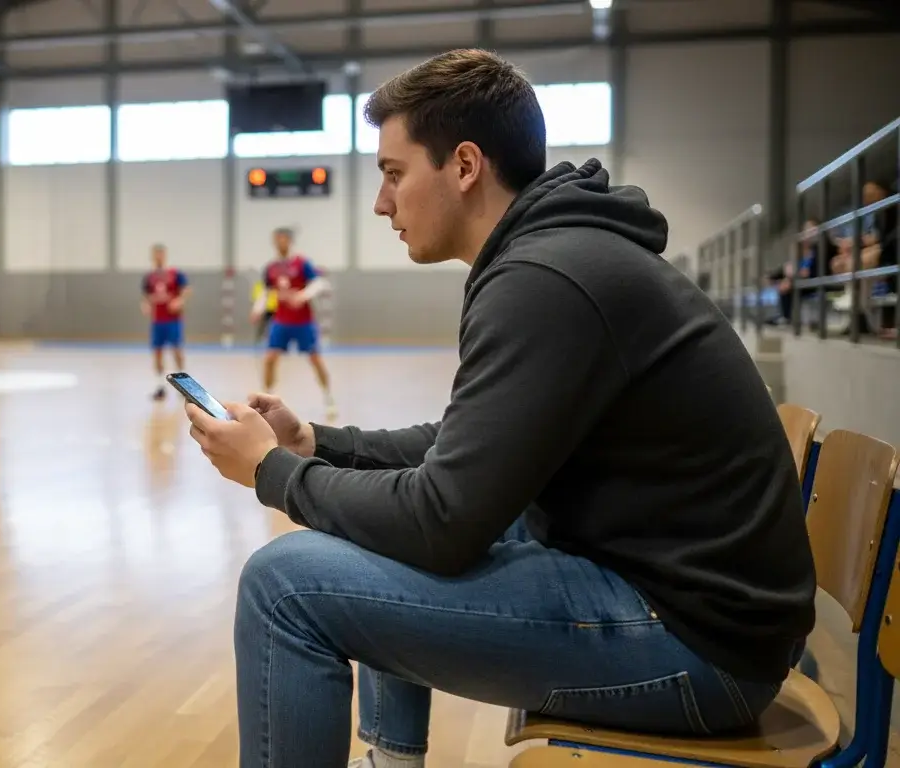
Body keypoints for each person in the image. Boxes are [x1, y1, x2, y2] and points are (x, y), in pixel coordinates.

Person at [183, 49, 815, 768]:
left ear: (463, 166)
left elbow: (441, 523)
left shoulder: (544, 278)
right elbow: (463, 449)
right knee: (369, 517)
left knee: (283, 586)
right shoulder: (557, 255)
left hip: (698, 648)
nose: (381, 203)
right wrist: (315, 444)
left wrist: (271, 473)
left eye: (393, 174)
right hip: (701, 613)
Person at [249, 227, 336, 418]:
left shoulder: (302, 263)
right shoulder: (270, 268)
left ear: (289, 241)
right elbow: (265, 292)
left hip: (303, 322)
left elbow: (319, 283)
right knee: (270, 359)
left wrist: (302, 296)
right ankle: (267, 398)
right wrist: (257, 309)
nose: (279, 243)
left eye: (283, 239)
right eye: (276, 239)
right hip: (281, 321)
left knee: (315, 359)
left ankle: (328, 397)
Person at [142, 243, 192, 400]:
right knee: (157, 353)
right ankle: (160, 386)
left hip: (173, 320)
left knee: (177, 350)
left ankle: (184, 385)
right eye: (156, 254)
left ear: (165, 255)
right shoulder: (150, 277)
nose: (158, 257)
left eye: (161, 254)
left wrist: (179, 301)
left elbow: (186, 290)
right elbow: (146, 296)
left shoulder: (174, 273)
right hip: (157, 320)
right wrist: (145, 305)